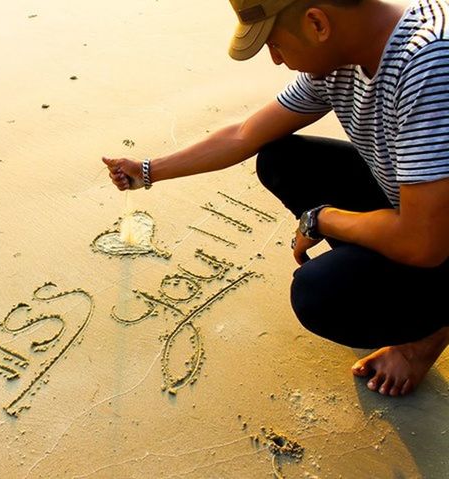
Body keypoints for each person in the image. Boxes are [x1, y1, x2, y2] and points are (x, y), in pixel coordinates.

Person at [102, 0, 449, 396]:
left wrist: (321, 219)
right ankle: (405, 292)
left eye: (274, 43)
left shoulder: (431, 63)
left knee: (320, 294)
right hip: (425, 214)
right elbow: (246, 134)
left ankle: (427, 334)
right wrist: (146, 171)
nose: (277, 60)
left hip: (432, 237)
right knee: (281, 160)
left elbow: (423, 242)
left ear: (316, 22)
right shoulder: (345, 57)